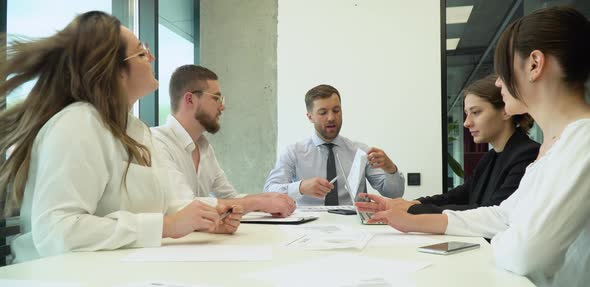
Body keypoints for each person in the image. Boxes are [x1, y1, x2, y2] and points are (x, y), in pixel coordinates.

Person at [356, 7, 590, 287]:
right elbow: (502, 215)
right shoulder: (558, 148)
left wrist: (506, 232)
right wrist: (413, 218)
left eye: (503, 70)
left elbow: (524, 250)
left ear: (534, 64)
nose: (498, 81)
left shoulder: (583, 141)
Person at [0, 11, 242, 264]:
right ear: (115, 72)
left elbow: (164, 206)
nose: (152, 57)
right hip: (57, 285)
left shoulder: (137, 130)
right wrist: (165, 226)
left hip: (114, 275)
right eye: (141, 53)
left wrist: (209, 217)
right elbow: (57, 231)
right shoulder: (78, 123)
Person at [151, 65, 296, 217]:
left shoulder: (204, 146)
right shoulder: (156, 142)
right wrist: (259, 202)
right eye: (216, 98)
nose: (222, 106)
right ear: (190, 99)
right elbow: (185, 205)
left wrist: (269, 198)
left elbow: (229, 199)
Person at [398, 74, 539, 214]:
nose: (467, 123)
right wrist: (415, 203)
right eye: (467, 113)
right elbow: (463, 194)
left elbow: (493, 211)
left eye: (476, 112)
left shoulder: (527, 155)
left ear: (506, 111)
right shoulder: (490, 157)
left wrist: (414, 209)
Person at [264, 84, 405, 206]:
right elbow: (269, 191)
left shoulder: (360, 151)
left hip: (355, 225)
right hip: (308, 226)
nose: (331, 117)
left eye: (336, 110)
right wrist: (300, 187)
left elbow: (395, 194)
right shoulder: (293, 152)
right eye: (323, 112)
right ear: (310, 117)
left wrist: (390, 169)